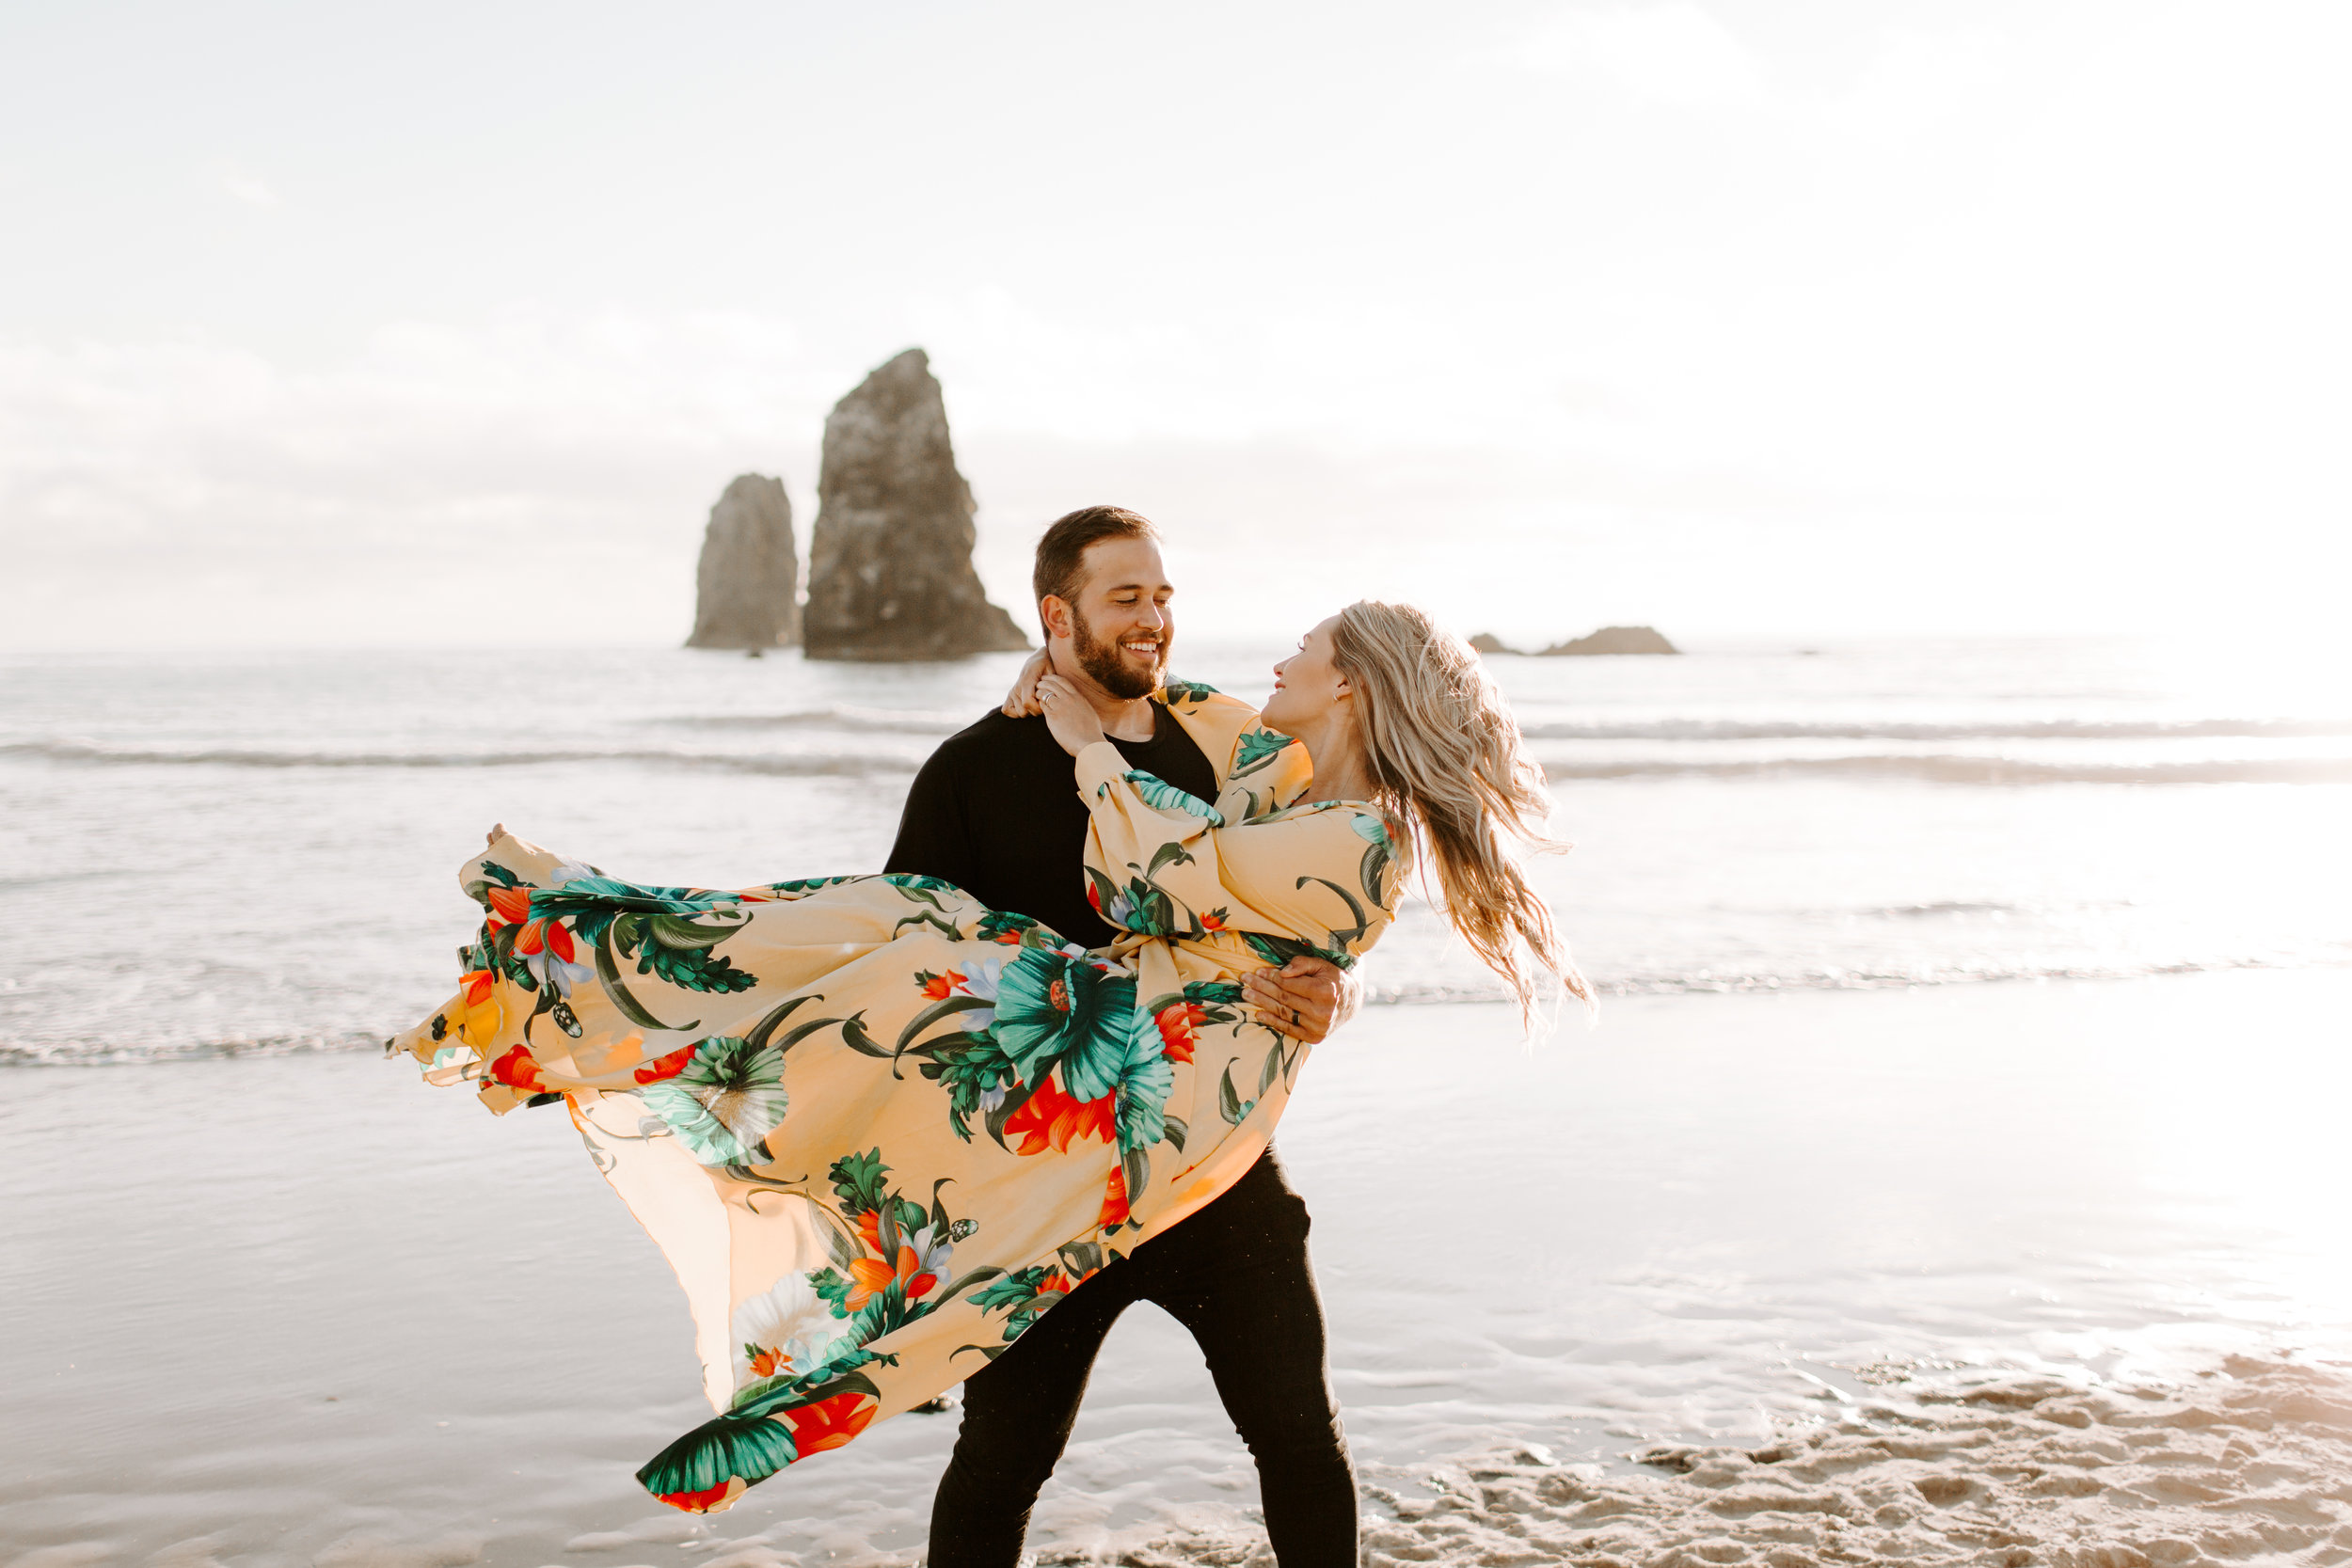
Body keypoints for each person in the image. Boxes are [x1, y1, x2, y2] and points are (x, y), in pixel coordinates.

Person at [389, 520, 1581, 1544]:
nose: (1158, 619)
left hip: (1204, 1171)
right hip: (1039, 1180)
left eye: (1165, 595)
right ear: (1058, 614)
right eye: (1127, 597)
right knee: (1004, 1458)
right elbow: (891, 969)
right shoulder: (974, 766)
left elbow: (1263, 902)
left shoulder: (1208, 748)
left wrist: (1328, 984)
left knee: (1293, 1431)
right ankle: (591, 980)